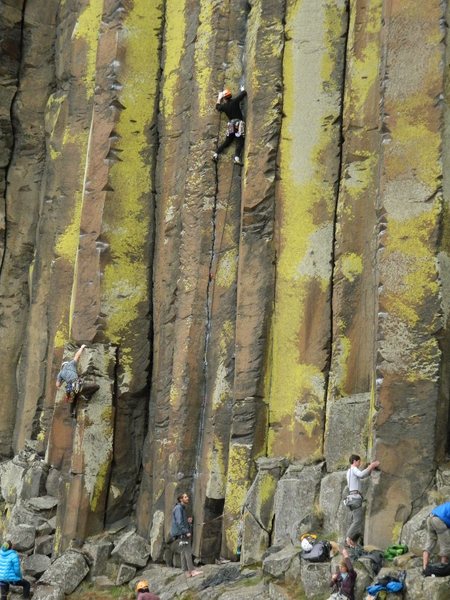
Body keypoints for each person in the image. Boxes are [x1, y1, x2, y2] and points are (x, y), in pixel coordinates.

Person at [345, 454, 380, 547]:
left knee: (355, 520)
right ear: (355, 461)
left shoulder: (349, 471)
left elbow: (361, 476)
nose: (360, 463)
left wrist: (369, 469)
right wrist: (371, 466)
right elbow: (361, 474)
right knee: (357, 520)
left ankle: (351, 539)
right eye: (359, 461)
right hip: (355, 499)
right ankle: (348, 538)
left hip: (351, 498)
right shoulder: (354, 469)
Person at [56, 344, 98, 417]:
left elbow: (57, 385)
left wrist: (62, 380)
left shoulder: (61, 373)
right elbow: (77, 355)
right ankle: (87, 395)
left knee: (73, 398)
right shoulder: (71, 364)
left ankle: (72, 412)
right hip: (77, 384)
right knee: (96, 386)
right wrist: (82, 347)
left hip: (70, 388)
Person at [170, 492, 203, 577]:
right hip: (182, 534)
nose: (187, 498)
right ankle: (192, 571)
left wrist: (188, 522)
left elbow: (181, 521)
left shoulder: (181, 508)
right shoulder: (178, 508)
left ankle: (185, 572)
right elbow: (179, 522)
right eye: (185, 497)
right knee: (187, 551)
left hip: (181, 534)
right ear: (181, 499)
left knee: (183, 552)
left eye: (187, 496)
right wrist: (186, 531)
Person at [213, 87, 247, 165]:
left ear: (225, 98)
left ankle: (216, 154)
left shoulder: (224, 106)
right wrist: (242, 89)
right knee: (240, 141)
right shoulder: (235, 101)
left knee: (227, 141)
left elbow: (217, 107)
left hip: (231, 124)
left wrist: (219, 97)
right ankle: (236, 158)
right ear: (230, 95)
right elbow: (243, 93)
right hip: (238, 124)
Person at [422, 501, 450, 573]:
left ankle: (424, 567)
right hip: (438, 520)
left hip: (430, 518)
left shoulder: (447, 504)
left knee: (430, 542)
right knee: (446, 543)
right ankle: (444, 567)